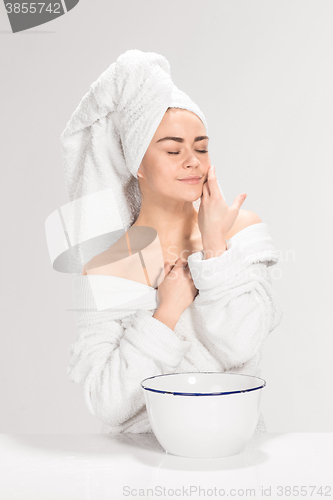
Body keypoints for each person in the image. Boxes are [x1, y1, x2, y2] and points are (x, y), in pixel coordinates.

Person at [62, 49, 283, 434]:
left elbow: (242, 345)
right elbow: (107, 402)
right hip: (141, 466)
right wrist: (166, 314)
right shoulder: (108, 267)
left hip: (234, 451)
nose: (193, 161)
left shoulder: (239, 231)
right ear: (138, 164)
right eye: (172, 149)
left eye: (201, 147)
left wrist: (214, 247)